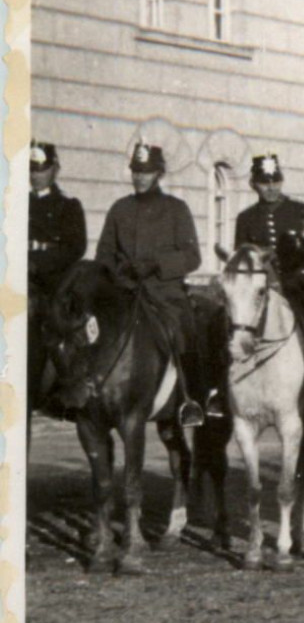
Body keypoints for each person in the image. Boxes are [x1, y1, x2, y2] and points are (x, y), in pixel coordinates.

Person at [94, 139, 206, 427]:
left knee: (186, 333)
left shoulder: (176, 209)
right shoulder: (119, 209)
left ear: (159, 174)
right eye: (136, 171)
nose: (139, 177)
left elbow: (192, 256)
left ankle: (191, 399)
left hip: (165, 294)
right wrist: (120, 272)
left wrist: (158, 264)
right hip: (125, 292)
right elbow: (103, 254)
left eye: (146, 172)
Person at [217, 151, 304, 417]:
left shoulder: (303, 211)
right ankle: (225, 393)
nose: (270, 187)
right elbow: (242, 259)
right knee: (230, 329)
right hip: (263, 294)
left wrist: (300, 276)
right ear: (253, 184)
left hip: (303, 291)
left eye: (275, 181)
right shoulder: (246, 218)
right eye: (264, 182)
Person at [28, 140, 87, 420]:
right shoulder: (14, 202)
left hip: (50, 284)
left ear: (54, 170)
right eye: (32, 169)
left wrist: (36, 265)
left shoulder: (68, 206)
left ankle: (62, 391)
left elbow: (75, 247)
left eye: (42, 169)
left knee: (57, 329)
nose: (36, 174)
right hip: (16, 280)